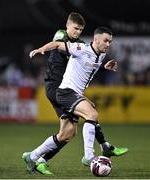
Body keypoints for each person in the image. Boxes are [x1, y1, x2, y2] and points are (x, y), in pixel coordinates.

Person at [23, 26, 128, 175]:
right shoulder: (81, 48)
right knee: (92, 114)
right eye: (105, 40)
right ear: (96, 39)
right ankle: (89, 156)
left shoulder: (102, 56)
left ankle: (32, 156)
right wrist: (42, 49)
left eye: (110, 41)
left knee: (67, 134)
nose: (108, 44)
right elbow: (58, 44)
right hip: (66, 92)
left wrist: (104, 67)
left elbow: (89, 67)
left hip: (73, 94)